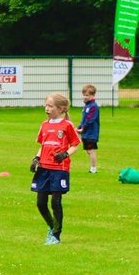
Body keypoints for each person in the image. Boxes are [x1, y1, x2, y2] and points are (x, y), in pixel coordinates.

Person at [31, 92, 80, 245]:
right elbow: (43, 145)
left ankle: (56, 235)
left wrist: (65, 154)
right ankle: (52, 227)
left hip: (59, 168)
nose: (47, 108)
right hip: (44, 168)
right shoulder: (44, 125)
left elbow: (75, 145)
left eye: (50, 106)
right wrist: (36, 158)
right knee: (40, 203)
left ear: (61, 108)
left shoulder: (67, 125)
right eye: (46, 105)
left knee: (56, 202)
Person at [77, 84, 100, 173]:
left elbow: (90, 119)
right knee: (88, 150)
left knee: (91, 150)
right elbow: (84, 119)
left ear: (93, 95)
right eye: (84, 95)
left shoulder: (93, 106)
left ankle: (93, 169)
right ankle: (93, 167)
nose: (85, 97)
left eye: (87, 95)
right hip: (86, 132)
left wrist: (83, 128)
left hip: (91, 133)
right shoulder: (87, 106)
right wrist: (79, 127)